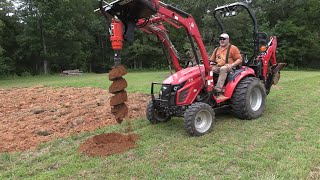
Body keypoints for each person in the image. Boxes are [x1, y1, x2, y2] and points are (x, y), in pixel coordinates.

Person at [209, 33, 242, 100]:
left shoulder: (233, 48)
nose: (222, 40)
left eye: (224, 39)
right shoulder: (216, 49)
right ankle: (207, 87)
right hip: (218, 67)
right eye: (220, 39)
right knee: (207, 69)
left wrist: (232, 65)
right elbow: (212, 60)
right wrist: (209, 65)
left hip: (230, 68)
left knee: (223, 68)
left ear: (228, 40)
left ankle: (218, 90)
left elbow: (239, 59)